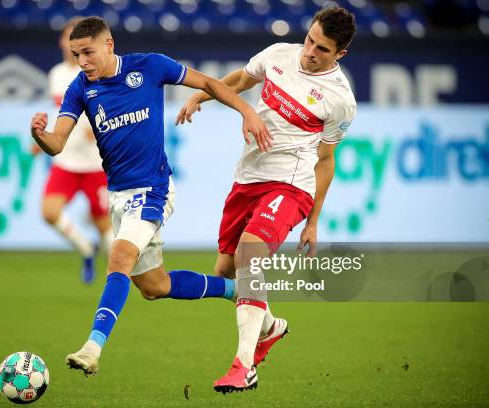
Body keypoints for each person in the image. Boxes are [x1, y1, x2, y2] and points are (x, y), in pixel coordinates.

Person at [30, 16, 273, 376]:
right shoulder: (80, 88)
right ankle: (237, 291)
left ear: (109, 45)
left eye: (88, 53)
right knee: (155, 286)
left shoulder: (149, 66)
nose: (81, 62)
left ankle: (92, 347)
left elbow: (206, 82)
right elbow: (56, 144)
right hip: (118, 196)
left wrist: (247, 110)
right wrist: (39, 133)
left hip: (153, 190)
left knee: (120, 257)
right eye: (76, 54)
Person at [177, 6, 357, 393]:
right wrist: (200, 98)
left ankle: (243, 366)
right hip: (247, 178)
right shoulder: (278, 54)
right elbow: (242, 78)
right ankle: (271, 326)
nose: (310, 51)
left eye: (322, 49)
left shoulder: (340, 101)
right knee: (226, 270)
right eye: (310, 40)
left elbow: (326, 161)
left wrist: (312, 221)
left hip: (291, 185)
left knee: (250, 254)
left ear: (339, 54)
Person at [36, 17, 113, 283]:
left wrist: (101, 126)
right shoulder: (56, 74)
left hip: (95, 162)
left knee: (105, 225)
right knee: (49, 212)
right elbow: (61, 111)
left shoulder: (98, 71)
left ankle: (117, 275)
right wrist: (43, 138)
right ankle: (85, 247)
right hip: (67, 160)